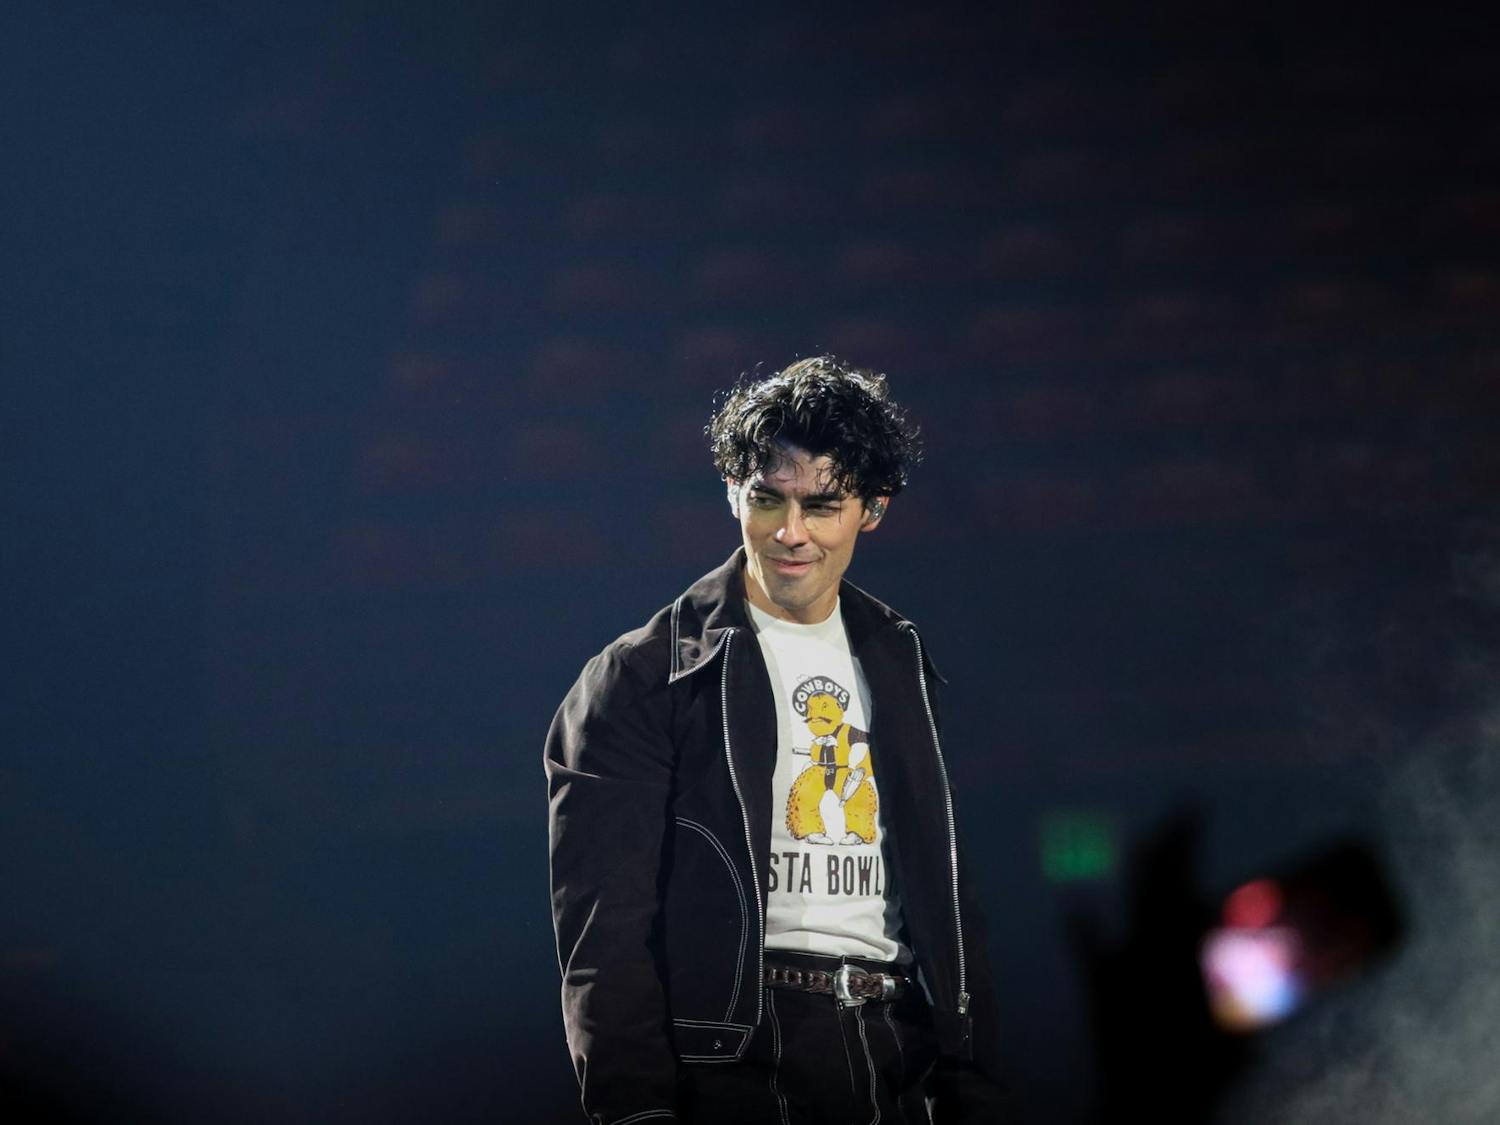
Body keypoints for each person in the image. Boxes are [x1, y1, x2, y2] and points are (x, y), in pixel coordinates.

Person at [545, 356, 1008, 1124]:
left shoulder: (899, 659)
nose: (791, 532)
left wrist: (975, 1080)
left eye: (822, 504)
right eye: (768, 498)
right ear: (733, 490)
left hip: (899, 1053)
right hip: (736, 1058)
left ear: (874, 508)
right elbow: (603, 942)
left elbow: (952, 900)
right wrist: (636, 1112)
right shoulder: (640, 676)